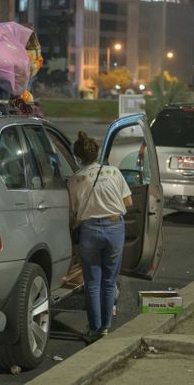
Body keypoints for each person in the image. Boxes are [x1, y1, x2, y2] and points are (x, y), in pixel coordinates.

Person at [67, 131, 132, 343]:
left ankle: (94, 329)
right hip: (115, 227)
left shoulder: (76, 179)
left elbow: (74, 211)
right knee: (109, 281)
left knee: (92, 283)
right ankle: (105, 327)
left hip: (90, 230)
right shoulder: (114, 172)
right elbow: (129, 202)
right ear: (97, 153)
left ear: (78, 157)